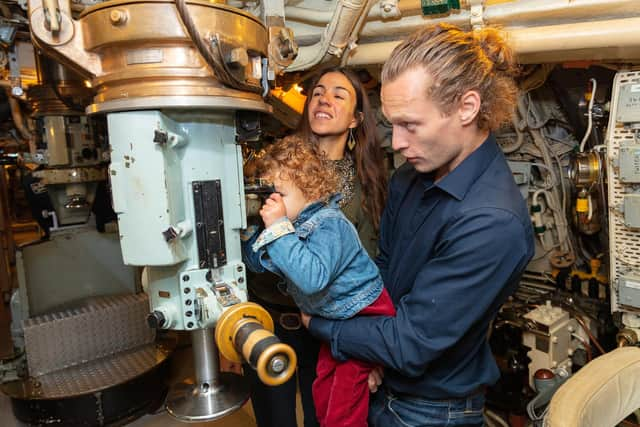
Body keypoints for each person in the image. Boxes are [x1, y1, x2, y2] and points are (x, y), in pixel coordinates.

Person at [302, 23, 535, 427]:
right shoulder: (409, 177)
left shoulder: (493, 222)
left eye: (411, 125)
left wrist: (323, 326)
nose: (397, 143)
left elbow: (412, 343)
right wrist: (370, 352)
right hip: (382, 385)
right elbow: (384, 274)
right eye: (393, 124)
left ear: (466, 107)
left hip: (431, 412)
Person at [244, 67, 388, 427]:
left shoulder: (365, 181)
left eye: (339, 94)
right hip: (268, 319)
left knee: (322, 418)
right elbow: (245, 240)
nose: (324, 98)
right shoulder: (276, 164)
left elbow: (372, 264)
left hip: (323, 327)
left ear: (356, 119)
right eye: (318, 92)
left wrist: (367, 354)